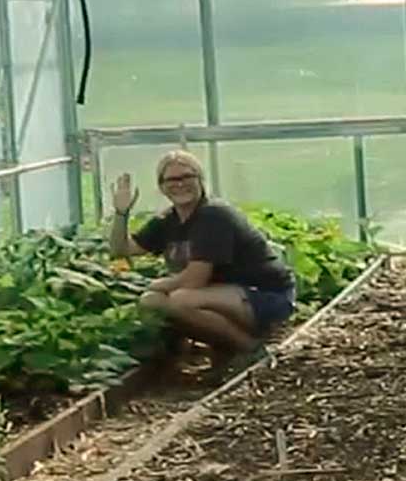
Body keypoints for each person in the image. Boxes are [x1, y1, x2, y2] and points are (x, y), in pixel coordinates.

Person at [107, 150, 297, 354]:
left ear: (201, 180)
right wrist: (121, 214)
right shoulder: (168, 220)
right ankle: (218, 350)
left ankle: (250, 349)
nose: (179, 183)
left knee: (180, 300)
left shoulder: (213, 216)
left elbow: (194, 281)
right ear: (162, 187)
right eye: (171, 179)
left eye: (187, 176)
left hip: (266, 296)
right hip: (225, 295)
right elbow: (122, 249)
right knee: (152, 302)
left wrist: (152, 284)